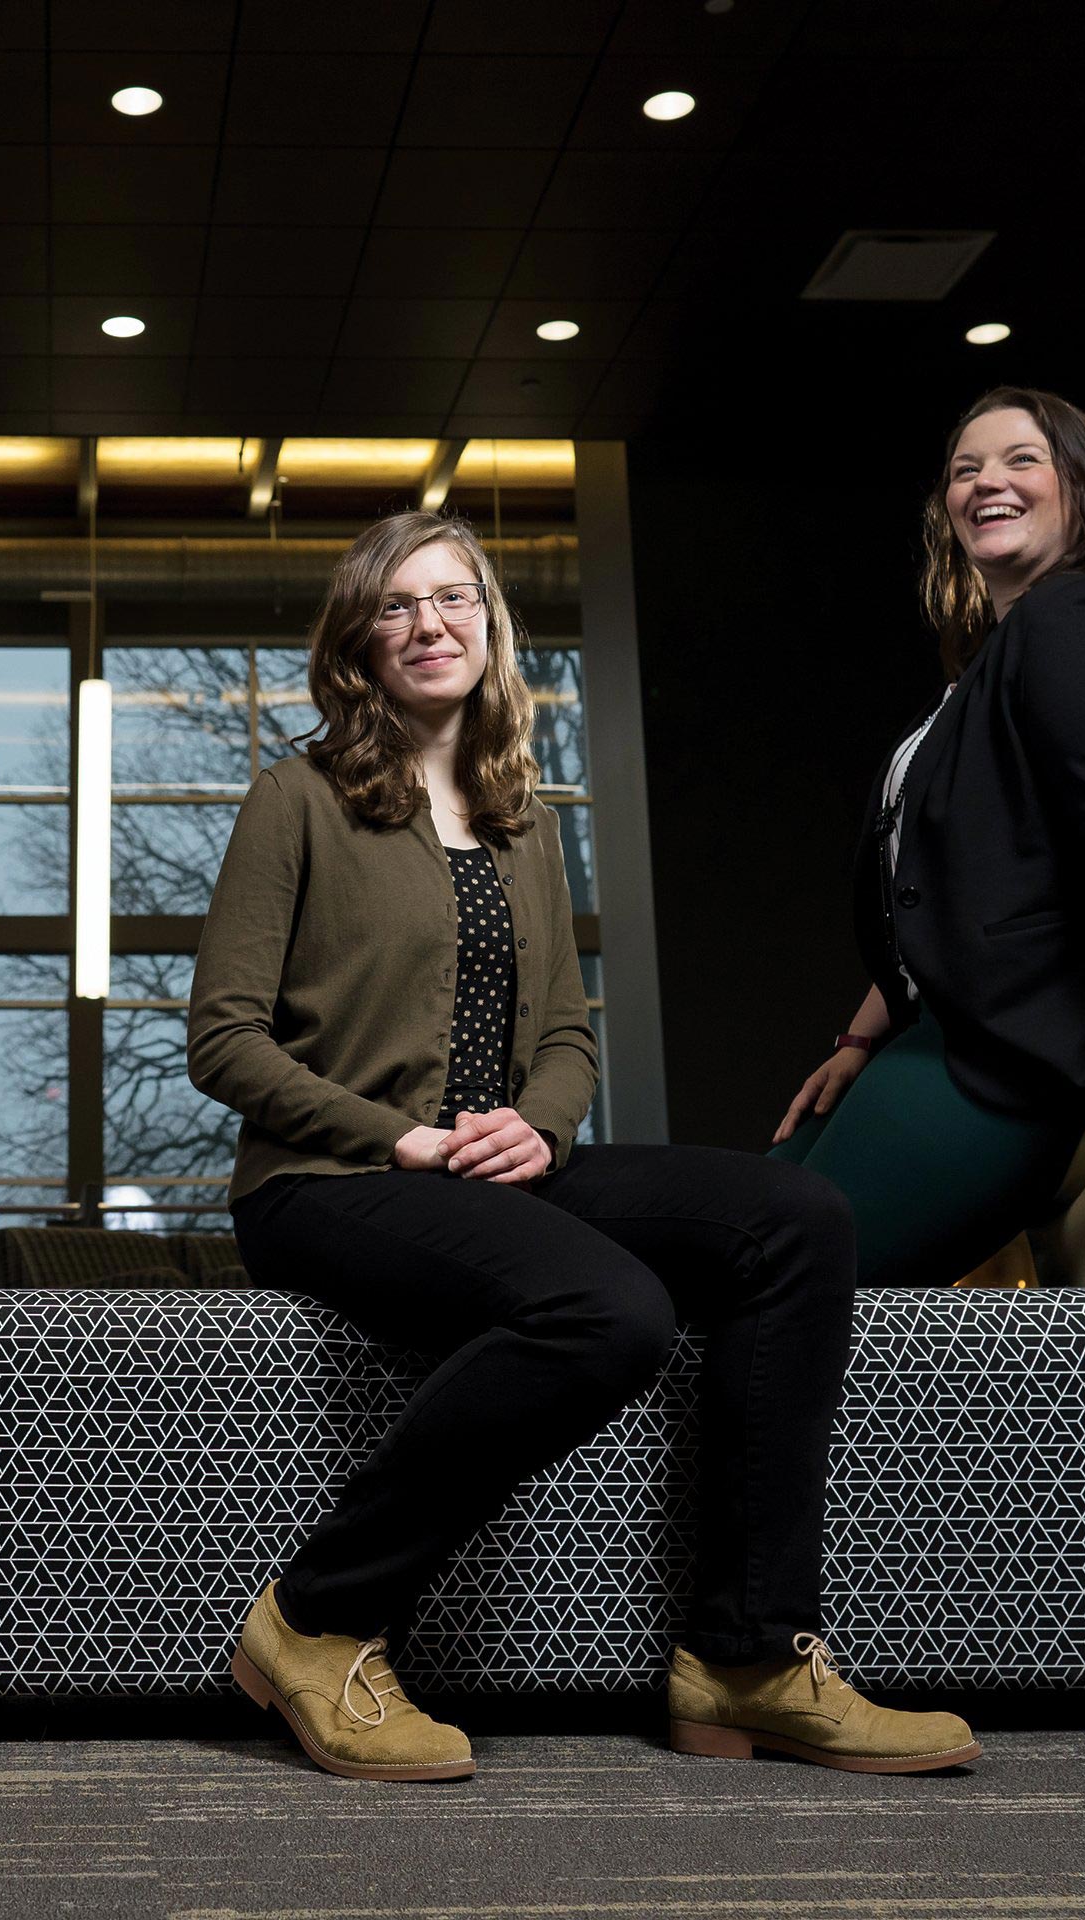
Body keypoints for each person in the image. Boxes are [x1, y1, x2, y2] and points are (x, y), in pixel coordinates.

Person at [191, 510, 977, 1782]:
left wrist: (537, 1124)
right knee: (607, 1311)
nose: (428, 625)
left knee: (794, 1220)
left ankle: (744, 1657)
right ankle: (315, 1619)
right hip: (329, 1181)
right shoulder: (296, 797)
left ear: (489, 627)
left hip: (499, 1163)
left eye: (454, 598)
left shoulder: (523, 819)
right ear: (358, 642)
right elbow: (223, 1043)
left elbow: (562, 1035)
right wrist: (400, 1140)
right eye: (395, 605)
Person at [770, 386, 1085, 1289]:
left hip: (1027, 1050)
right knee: (749, 1230)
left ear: (1080, 487)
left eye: (1019, 461)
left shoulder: (1079, 622)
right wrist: (856, 1043)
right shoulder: (994, 662)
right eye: (965, 470)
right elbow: (946, 892)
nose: (985, 484)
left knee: (774, 1266)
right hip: (956, 1030)